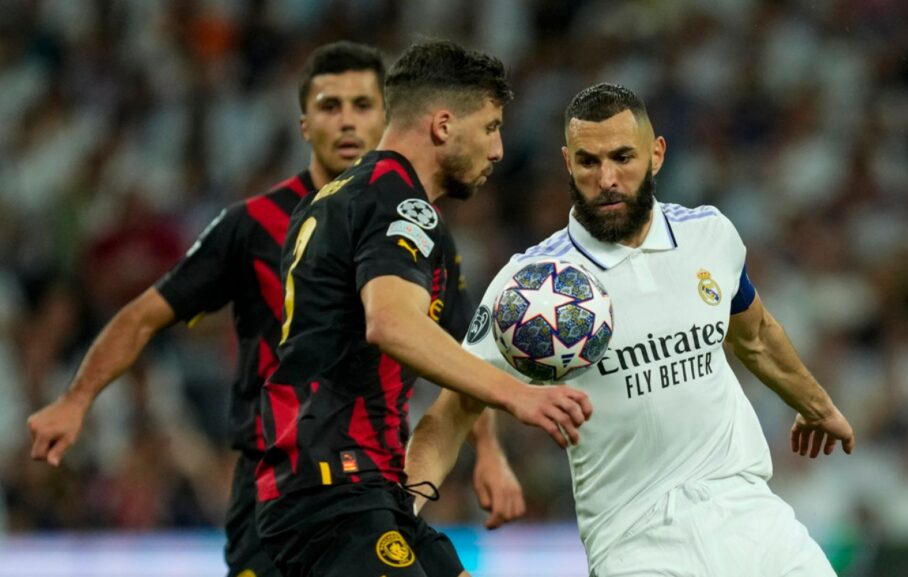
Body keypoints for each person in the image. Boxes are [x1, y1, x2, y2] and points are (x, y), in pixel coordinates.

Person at [26, 40, 524, 577]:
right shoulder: (255, 224)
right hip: (295, 478)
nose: (349, 122)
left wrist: (488, 452)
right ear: (304, 124)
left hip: (368, 481)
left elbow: (458, 353)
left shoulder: (415, 228)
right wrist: (76, 398)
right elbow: (145, 314)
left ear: (386, 114)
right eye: (331, 106)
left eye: (363, 105)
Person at [404, 83, 856, 577]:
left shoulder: (708, 235)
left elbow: (755, 334)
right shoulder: (533, 289)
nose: (607, 178)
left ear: (656, 154)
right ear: (567, 163)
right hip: (637, 545)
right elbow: (452, 412)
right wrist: (400, 514)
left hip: (753, 518)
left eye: (623, 157)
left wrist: (817, 405)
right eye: (588, 162)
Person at [253, 40, 592, 577]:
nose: (499, 149)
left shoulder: (336, 197)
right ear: (442, 125)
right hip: (331, 490)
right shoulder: (398, 202)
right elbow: (391, 323)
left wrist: (410, 490)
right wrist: (518, 396)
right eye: (490, 126)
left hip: (359, 491)